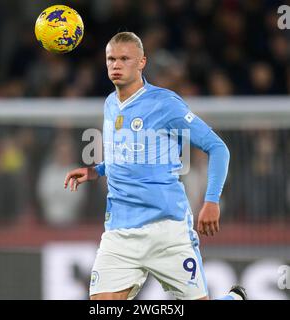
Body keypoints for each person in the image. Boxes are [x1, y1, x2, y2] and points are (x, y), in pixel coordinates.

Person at [64, 32, 247, 300]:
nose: (116, 65)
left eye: (125, 58)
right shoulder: (110, 104)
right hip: (119, 231)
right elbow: (127, 152)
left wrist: (211, 200)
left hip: (167, 228)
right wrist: (97, 170)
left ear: (142, 63)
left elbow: (218, 148)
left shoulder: (165, 104)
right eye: (111, 59)